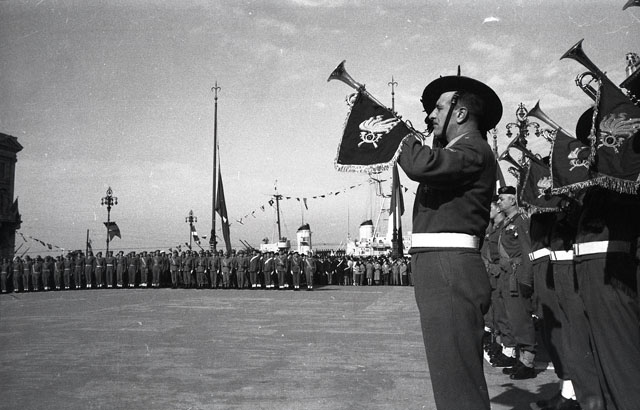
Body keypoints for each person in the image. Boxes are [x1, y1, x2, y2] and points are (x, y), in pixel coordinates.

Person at [397, 74, 502, 410]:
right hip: (439, 264)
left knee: (458, 384)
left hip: (449, 267)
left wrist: (399, 135)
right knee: (449, 376)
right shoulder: (458, 150)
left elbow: (421, 164)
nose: (431, 115)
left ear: (460, 113)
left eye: (439, 107)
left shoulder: (473, 148)